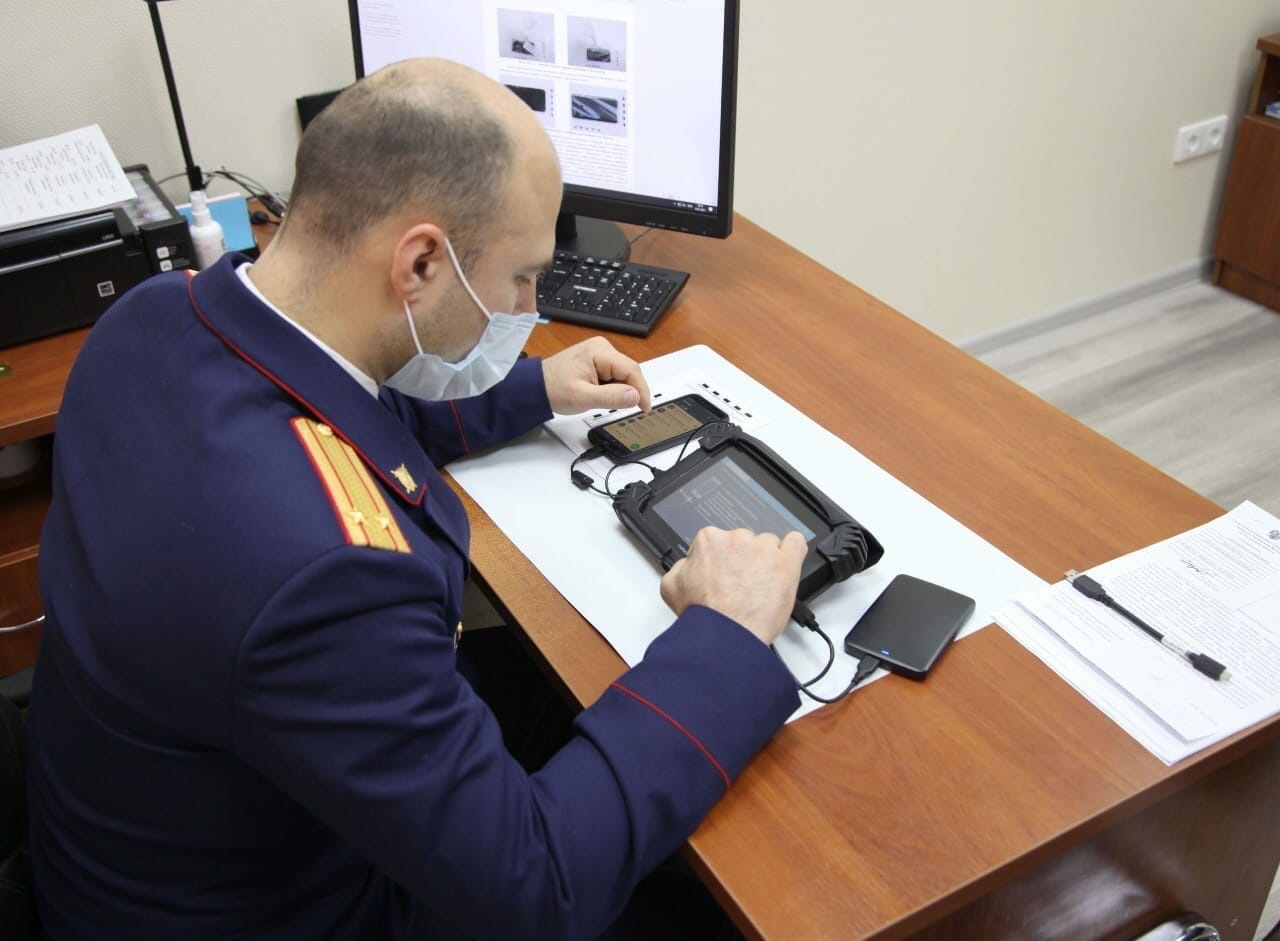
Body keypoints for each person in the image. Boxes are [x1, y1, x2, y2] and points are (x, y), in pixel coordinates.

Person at [26, 58, 806, 940]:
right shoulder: (324, 573)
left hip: (158, 836)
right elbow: (538, 888)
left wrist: (532, 387)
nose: (529, 306)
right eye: (522, 277)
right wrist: (724, 635)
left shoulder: (151, 316)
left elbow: (331, 400)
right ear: (421, 262)